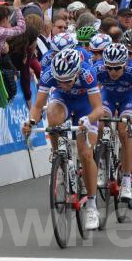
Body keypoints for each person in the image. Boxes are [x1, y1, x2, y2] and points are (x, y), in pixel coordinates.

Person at [23, 49, 104, 230]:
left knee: (85, 153)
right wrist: (31, 121)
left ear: (76, 73)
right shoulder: (49, 74)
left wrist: (89, 119)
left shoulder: (87, 73)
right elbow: (38, 106)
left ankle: (92, 206)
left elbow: (98, 109)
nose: (63, 84)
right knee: (52, 115)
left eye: (68, 80)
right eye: (59, 81)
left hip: (86, 107)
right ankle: (58, 155)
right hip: (63, 101)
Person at [95, 43, 132, 200]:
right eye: (109, 67)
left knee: (124, 131)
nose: (112, 72)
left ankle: (126, 180)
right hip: (108, 97)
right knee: (100, 122)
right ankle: (102, 163)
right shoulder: (98, 69)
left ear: (125, 64)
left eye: (117, 68)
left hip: (128, 99)